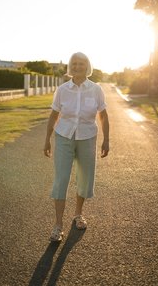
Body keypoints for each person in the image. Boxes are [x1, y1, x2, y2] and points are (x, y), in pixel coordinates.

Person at [44, 52, 109, 242]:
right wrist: (47, 139)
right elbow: (54, 116)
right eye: (74, 63)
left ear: (87, 66)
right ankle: (58, 225)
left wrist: (107, 140)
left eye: (81, 63)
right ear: (70, 67)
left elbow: (103, 116)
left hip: (87, 137)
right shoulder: (62, 89)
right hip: (64, 136)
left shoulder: (96, 89)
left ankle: (78, 214)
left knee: (85, 177)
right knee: (61, 179)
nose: (77, 66)